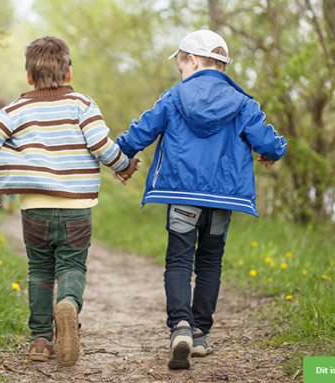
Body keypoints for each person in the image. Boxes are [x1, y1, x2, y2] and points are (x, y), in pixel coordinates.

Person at [114, 30, 287, 369]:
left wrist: (121, 159)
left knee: (179, 260)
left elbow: (141, 131)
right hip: (223, 198)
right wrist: (272, 152)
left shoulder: (174, 96)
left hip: (180, 193)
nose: (180, 72)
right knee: (210, 262)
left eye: (180, 65)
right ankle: (201, 334)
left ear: (192, 60)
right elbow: (269, 141)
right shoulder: (243, 104)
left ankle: (180, 326)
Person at [0, 36, 139, 367]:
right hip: (77, 206)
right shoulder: (81, 104)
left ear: (28, 77)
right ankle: (68, 304)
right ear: (69, 73)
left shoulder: (15, 109)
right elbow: (100, 144)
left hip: (34, 207)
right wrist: (124, 164)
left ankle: (39, 340)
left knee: (39, 270)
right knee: (72, 265)